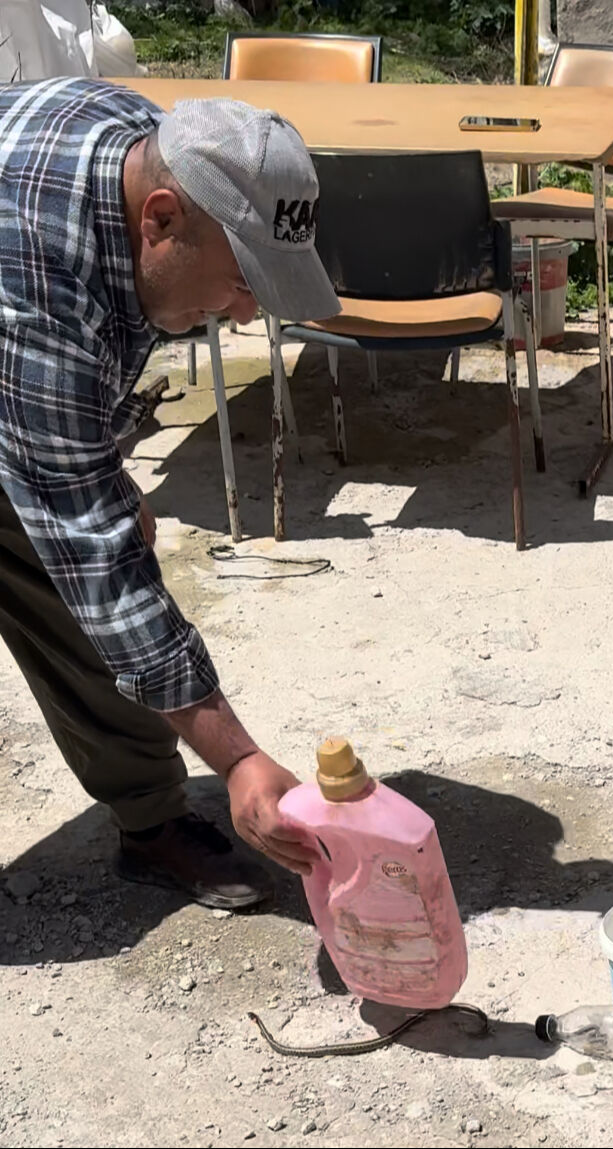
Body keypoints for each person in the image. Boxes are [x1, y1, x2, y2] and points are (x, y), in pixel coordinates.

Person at [0, 77, 342, 908]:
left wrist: (103, 476)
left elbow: (86, 379)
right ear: (159, 218)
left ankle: (151, 821)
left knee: (66, 566)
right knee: (95, 562)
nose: (244, 311)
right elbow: (98, 555)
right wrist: (239, 758)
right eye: (239, 281)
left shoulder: (152, 141)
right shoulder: (37, 283)